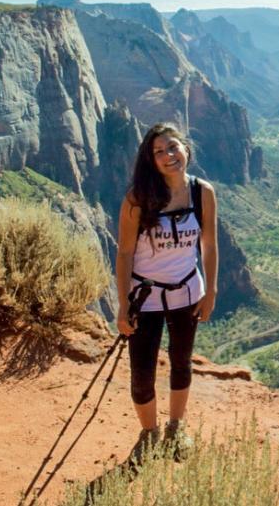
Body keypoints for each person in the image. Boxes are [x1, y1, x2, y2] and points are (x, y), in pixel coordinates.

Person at [116, 123, 218, 463]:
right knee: (142, 371)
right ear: (151, 160)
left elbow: (209, 245)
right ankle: (149, 434)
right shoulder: (138, 199)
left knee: (181, 362)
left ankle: (176, 427)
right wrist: (122, 304)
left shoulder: (203, 192)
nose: (168, 156)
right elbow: (125, 253)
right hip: (144, 298)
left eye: (172, 147)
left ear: (186, 149)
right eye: (158, 152)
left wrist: (211, 291)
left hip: (188, 293)